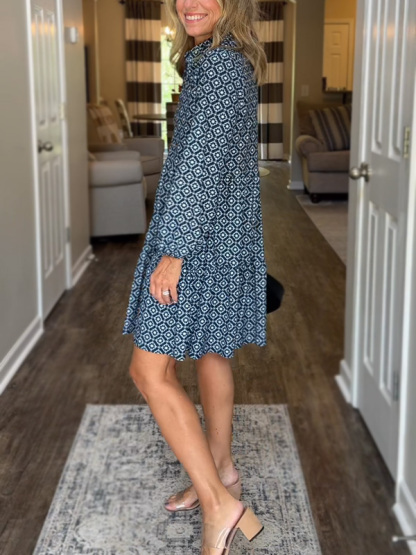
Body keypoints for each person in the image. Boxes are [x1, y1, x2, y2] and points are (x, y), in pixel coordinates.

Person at [122, 0, 268, 551]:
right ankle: (222, 473)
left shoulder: (219, 65)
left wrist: (174, 251)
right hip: (221, 237)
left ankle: (218, 506)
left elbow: (200, 166)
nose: (191, 4)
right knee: (212, 350)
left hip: (198, 242)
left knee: (149, 371)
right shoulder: (223, 57)